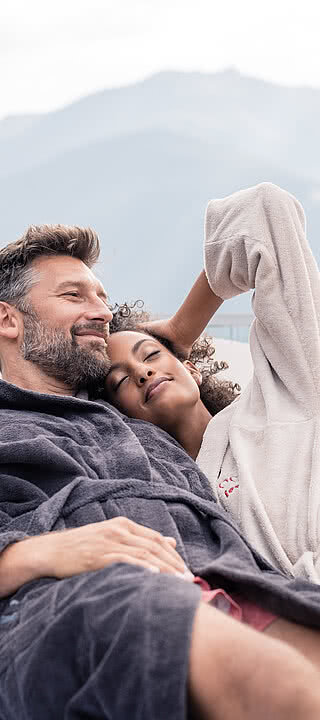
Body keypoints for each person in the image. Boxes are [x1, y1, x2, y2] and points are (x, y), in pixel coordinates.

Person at [1, 221, 320, 720]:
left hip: (234, 584)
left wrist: (174, 340)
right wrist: (37, 551)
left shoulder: (144, 429)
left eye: (103, 298)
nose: (101, 312)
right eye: (74, 295)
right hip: (104, 604)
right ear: (7, 320)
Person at [105, 182, 320, 584]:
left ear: (193, 368)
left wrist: (181, 328)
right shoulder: (166, 493)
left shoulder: (289, 392)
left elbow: (264, 212)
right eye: (120, 382)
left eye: (151, 355)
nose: (142, 372)